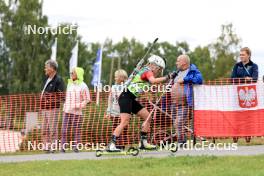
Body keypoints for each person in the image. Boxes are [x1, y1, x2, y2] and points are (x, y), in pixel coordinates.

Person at [108, 55, 174, 152]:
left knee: (148, 116)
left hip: (131, 98)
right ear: (154, 65)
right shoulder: (148, 71)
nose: (158, 72)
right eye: (159, 69)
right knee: (124, 122)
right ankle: (111, 144)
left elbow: (151, 82)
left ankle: (143, 143)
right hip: (126, 96)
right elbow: (153, 81)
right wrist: (168, 77)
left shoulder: (145, 70)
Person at [171, 54, 203, 146]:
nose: (176, 63)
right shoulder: (177, 72)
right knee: (176, 123)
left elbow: (199, 79)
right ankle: (182, 141)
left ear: (184, 62)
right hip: (174, 103)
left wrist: (185, 79)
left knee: (179, 122)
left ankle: (181, 142)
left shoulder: (193, 71)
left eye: (178, 61)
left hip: (185, 103)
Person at [61, 67, 90, 153]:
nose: (71, 74)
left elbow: (87, 99)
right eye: (71, 72)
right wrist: (65, 106)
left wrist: (78, 105)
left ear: (78, 74)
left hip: (77, 113)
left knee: (77, 130)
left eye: (73, 73)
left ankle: (76, 147)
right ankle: (63, 147)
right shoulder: (69, 84)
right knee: (64, 130)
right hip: (66, 111)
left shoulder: (84, 86)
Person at [40, 59, 65, 153]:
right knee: (44, 129)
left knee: (52, 129)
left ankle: (53, 148)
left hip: (53, 108)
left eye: (46, 67)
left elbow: (61, 95)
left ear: (52, 68)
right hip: (44, 108)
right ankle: (46, 148)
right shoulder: (46, 79)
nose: (45, 69)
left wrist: (50, 99)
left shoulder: (58, 80)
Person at [106, 69, 128, 149]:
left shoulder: (127, 86)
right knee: (115, 128)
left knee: (124, 129)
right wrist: (108, 112)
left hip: (125, 112)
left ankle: (122, 145)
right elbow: (110, 100)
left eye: (116, 77)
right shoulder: (113, 87)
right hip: (114, 113)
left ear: (122, 77)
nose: (115, 78)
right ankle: (115, 145)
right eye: (115, 77)